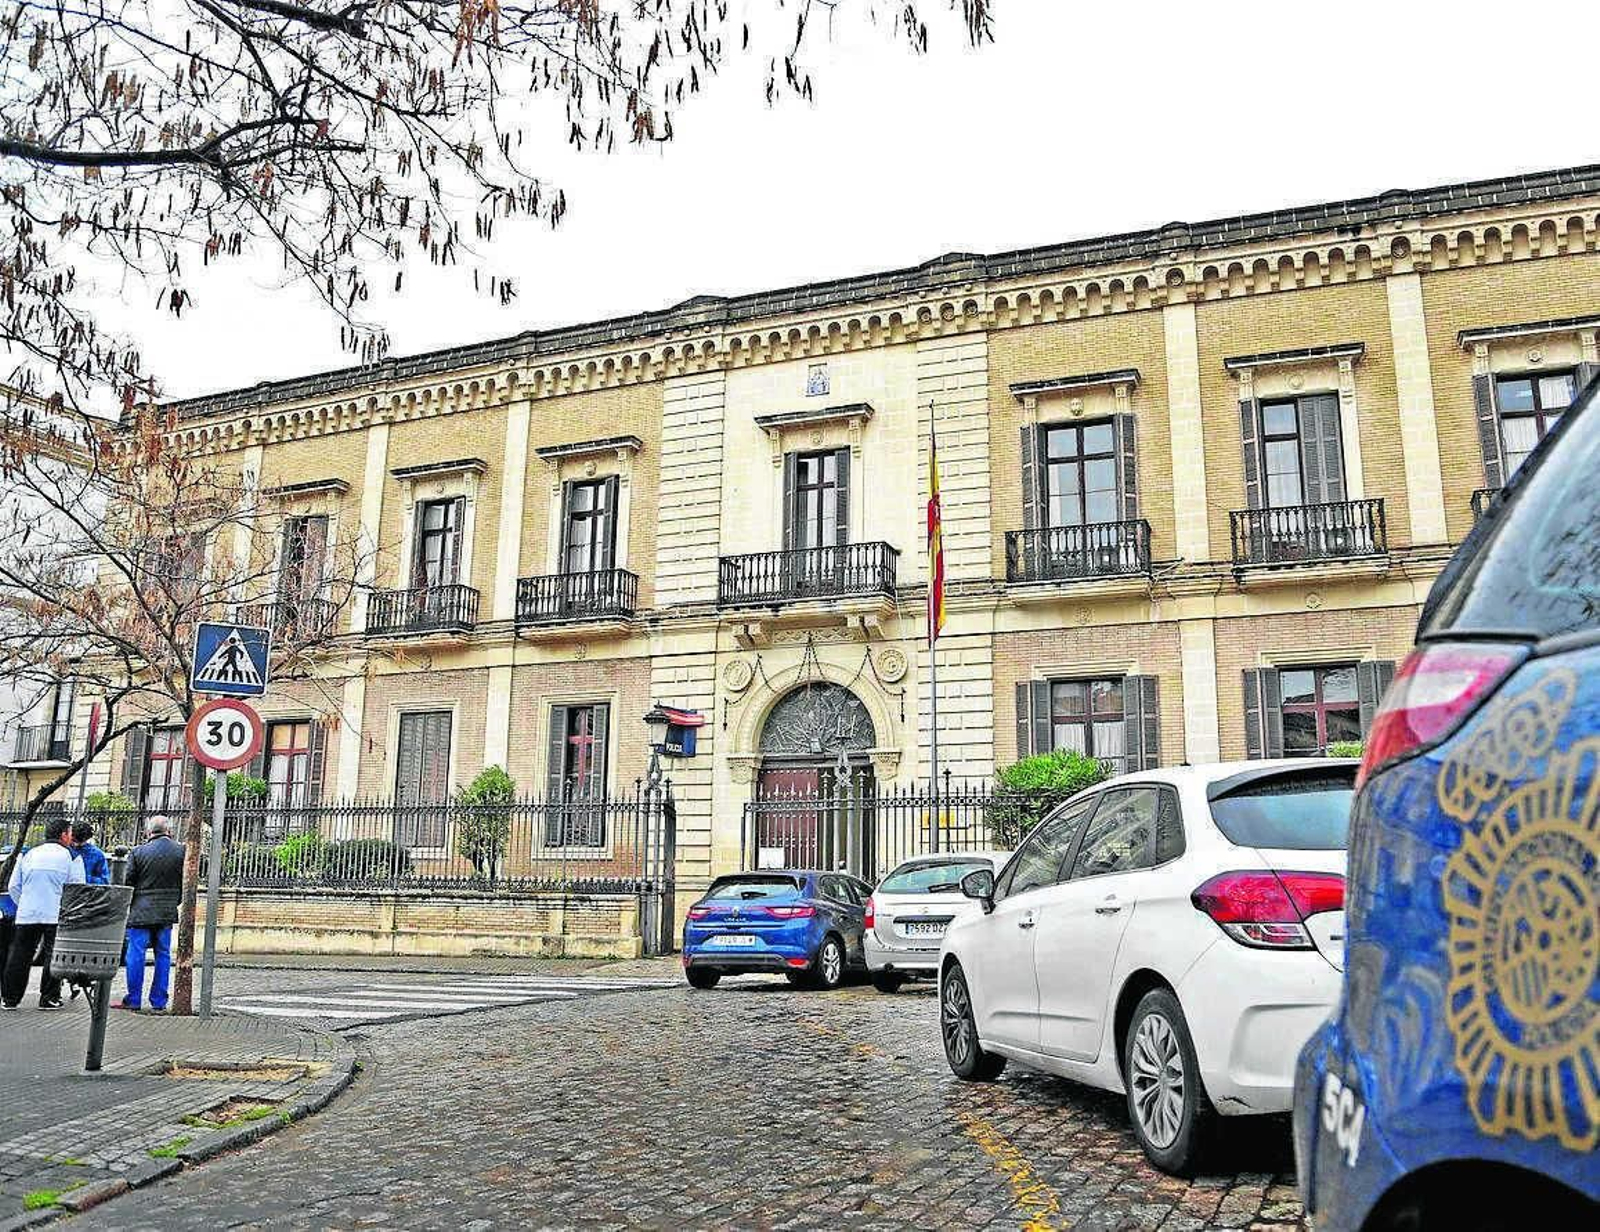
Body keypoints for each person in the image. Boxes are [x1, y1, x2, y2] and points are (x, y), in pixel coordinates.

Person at [2, 816, 85, 1009]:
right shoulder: (72, 857)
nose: (71, 838)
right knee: (53, 956)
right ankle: (49, 997)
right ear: (63, 835)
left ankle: (10, 998)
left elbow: (14, 885)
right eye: (70, 833)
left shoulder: (29, 854)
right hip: (56, 914)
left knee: (19, 955)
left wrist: (24, 902)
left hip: (27, 913)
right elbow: (77, 889)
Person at [121, 815, 184, 1013]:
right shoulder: (181, 851)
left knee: (136, 954)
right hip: (166, 911)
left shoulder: (138, 852)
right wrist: (175, 900)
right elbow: (185, 881)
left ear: (149, 832)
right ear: (169, 831)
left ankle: (133, 999)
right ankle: (159, 1001)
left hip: (140, 911)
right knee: (163, 955)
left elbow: (128, 881)